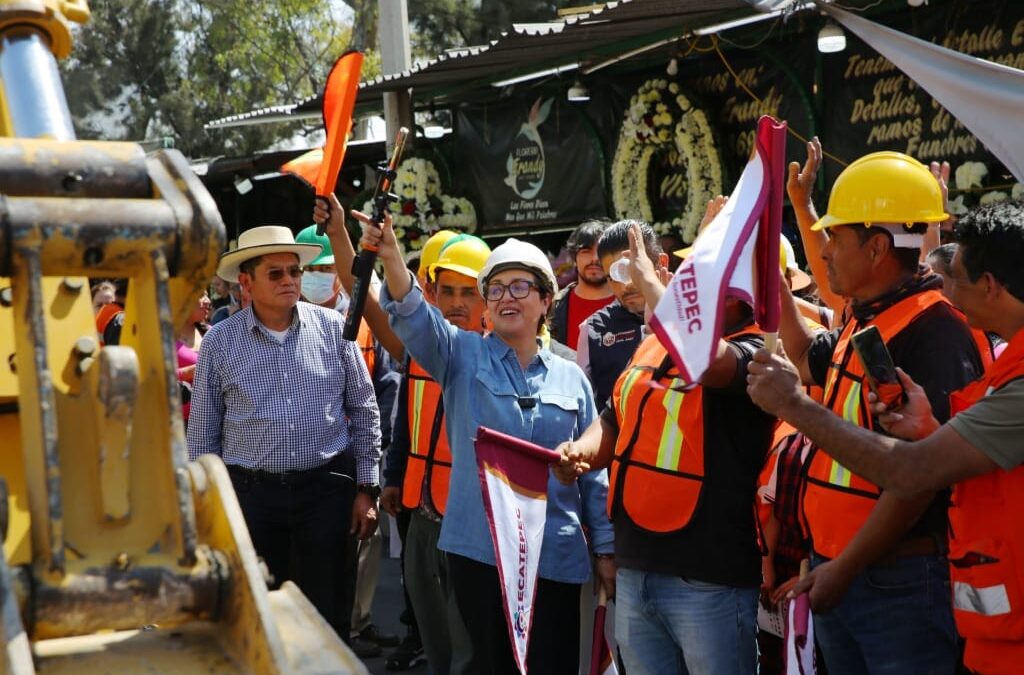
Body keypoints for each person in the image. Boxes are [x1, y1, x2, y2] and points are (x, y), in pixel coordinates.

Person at [746, 199, 1024, 675]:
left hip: (914, 593)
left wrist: (793, 405)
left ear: (991, 286)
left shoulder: (944, 333)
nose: (944, 287)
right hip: (989, 625)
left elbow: (913, 473)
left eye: (955, 278)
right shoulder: (870, 318)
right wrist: (930, 431)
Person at [360, 207, 615, 675]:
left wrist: (604, 549)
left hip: (554, 557)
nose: (505, 298)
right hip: (479, 554)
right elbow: (412, 311)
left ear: (546, 300)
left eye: (520, 287)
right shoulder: (459, 354)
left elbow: (593, 479)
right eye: (495, 289)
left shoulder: (572, 377)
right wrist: (391, 251)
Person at [555, 222, 776, 675]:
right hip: (637, 567)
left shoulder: (756, 349)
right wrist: (581, 452)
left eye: (707, 273)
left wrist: (654, 288)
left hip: (708, 577)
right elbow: (614, 419)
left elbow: (702, 358)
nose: (695, 282)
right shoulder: (653, 345)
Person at [186, 225, 382, 640]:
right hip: (252, 499)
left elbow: (364, 410)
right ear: (246, 283)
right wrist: (209, 512)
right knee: (258, 619)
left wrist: (367, 487)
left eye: (294, 271)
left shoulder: (334, 328)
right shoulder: (219, 343)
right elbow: (202, 438)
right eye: (275, 273)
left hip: (326, 493)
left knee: (327, 618)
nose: (290, 280)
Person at [383, 233, 490, 674]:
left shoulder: (498, 355)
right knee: (433, 631)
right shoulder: (422, 349)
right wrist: (393, 476)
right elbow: (405, 421)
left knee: (469, 639)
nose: (456, 303)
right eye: (447, 291)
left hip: (468, 520)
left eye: (469, 292)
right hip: (420, 510)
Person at [577, 220, 668, 411]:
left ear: (661, 263)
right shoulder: (593, 329)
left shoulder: (694, 314)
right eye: (614, 276)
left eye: (632, 270)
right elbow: (583, 406)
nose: (626, 284)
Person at [550, 219, 615, 349]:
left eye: (602, 251)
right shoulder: (553, 307)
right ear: (574, 258)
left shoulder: (633, 304)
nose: (595, 258)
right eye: (586, 251)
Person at [176, 290, 211, 422]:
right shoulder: (163, 336)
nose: (208, 301)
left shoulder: (211, 333)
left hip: (210, 421)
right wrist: (189, 372)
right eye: (201, 295)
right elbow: (155, 378)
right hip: (177, 424)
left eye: (207, 295)